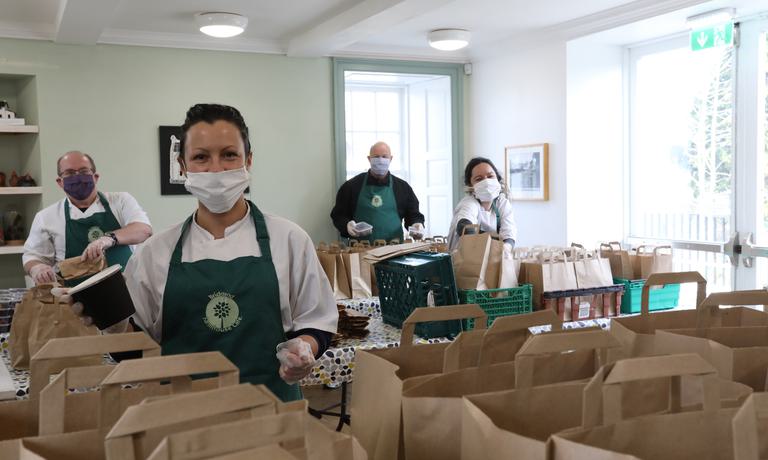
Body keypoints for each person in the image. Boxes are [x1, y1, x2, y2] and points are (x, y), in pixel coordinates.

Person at [60, 104, 337, 402]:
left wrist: (304, 348)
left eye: (229, 155)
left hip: (274, 412)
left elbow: (316, 320)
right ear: (183, 166)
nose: (216, 169)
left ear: (249, 161)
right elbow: (135, 353)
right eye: (201, 157)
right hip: (184, 417)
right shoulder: (156, 253)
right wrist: (116, 328)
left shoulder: (289, 239)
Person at [23, 151, 152, 285]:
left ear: (95, 177)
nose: (77, 177)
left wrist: (108, 239)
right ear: (60, 182)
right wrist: (37, 268)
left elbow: (143, 230)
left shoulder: (120, 201)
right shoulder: (46, 217)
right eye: (70, 173)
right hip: (73, 299)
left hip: (126, 290)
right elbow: (33, 256)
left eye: (84, 171)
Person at [330, 141, 425, 242]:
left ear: (391, 159)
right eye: (376, 156)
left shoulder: (402, 187)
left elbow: (413, 214)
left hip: (395, 248)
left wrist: (417, 224)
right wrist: (347, 225)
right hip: (360, 248)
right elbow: (338, 215)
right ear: (369, 159)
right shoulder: (351, 186)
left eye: (384, 156)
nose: (380, 160)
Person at [447, 157, 518, 251]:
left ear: (497, 179)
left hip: (489, 258)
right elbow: (464, 227)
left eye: (490, 176)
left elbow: (509, 233)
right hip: (461, 260)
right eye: (479, 179)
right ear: (470, 186)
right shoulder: (469, 203)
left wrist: (506, 248)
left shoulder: (502, 203)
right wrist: (494, 242)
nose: (486, 182)